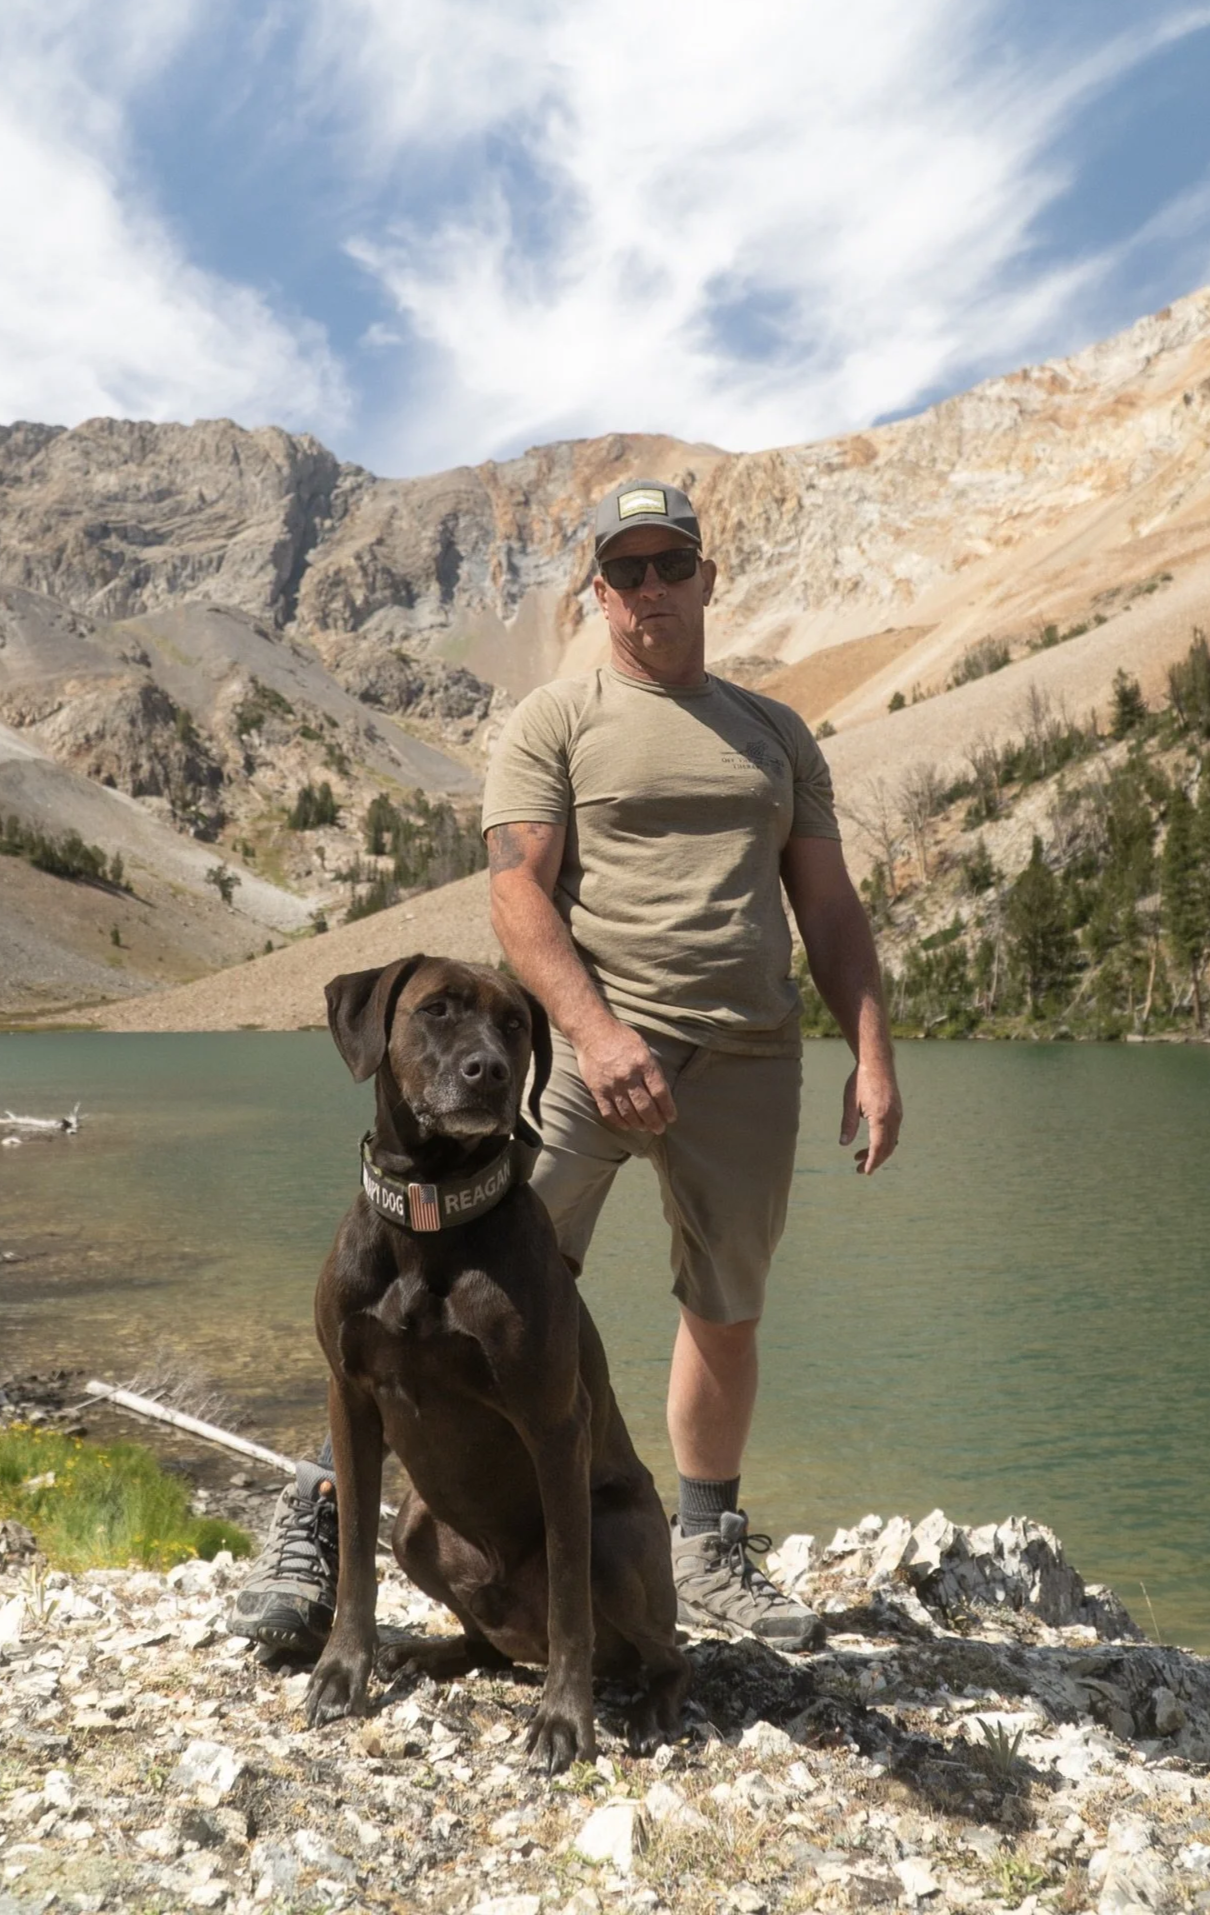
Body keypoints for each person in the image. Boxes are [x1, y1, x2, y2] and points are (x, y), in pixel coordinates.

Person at [230, 479, 902, 1657]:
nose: (650, 588)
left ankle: (703, 1546)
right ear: (597, 591)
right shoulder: (555, 721)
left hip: (747, 1057)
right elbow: (514, 895)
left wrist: (873, 1049)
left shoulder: (776, 734)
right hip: (586, 1053)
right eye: (625, 570)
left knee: (725, 1308)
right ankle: (323, 1508)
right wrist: (594, 1035)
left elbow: (830, 905)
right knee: (437, 1288)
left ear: (705, 577)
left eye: (670, 564)